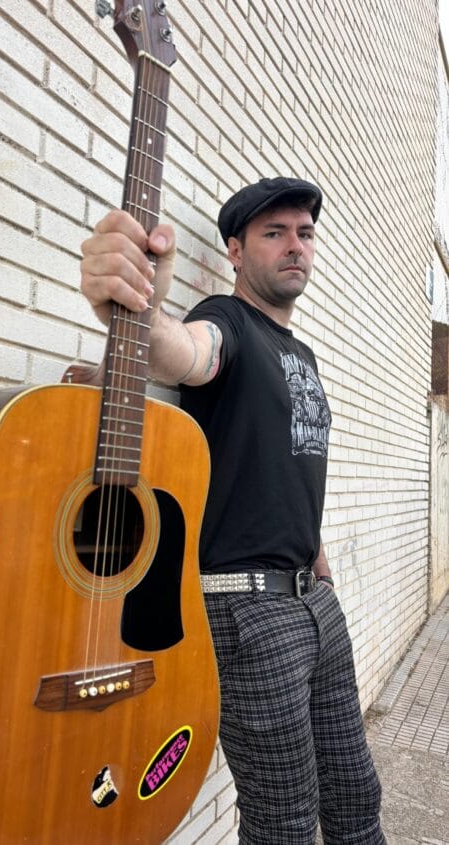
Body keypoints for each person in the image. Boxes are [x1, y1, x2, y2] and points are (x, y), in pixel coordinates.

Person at [79, 176, 385, 845]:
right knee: (283, 823)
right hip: (249, 614)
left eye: (304, 233)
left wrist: (321, 564)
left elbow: (287, 471)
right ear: (236, 252)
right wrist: (137, 311)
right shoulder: (229, 321)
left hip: (315, 602)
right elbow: (186, 353)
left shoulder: (300, 352)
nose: (295, 246)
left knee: (357, 794)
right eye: (274, 233)